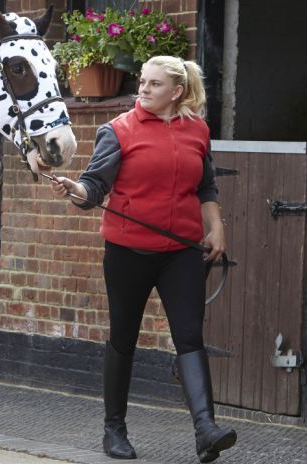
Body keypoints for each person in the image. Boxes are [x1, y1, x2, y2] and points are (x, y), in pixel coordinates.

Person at [51, 56, 237, 462]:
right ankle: (113, 430)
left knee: (190, 337)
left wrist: (216, 227)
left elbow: (205, 185)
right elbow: (95, 184)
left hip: (182, 252)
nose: (144, 89)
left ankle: (205, 428)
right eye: (142, 82)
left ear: (177, 91)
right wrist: (76, 190)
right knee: (124, 338)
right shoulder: (118, 131)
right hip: (128, 251)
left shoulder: (197, 131)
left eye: (155, 84)